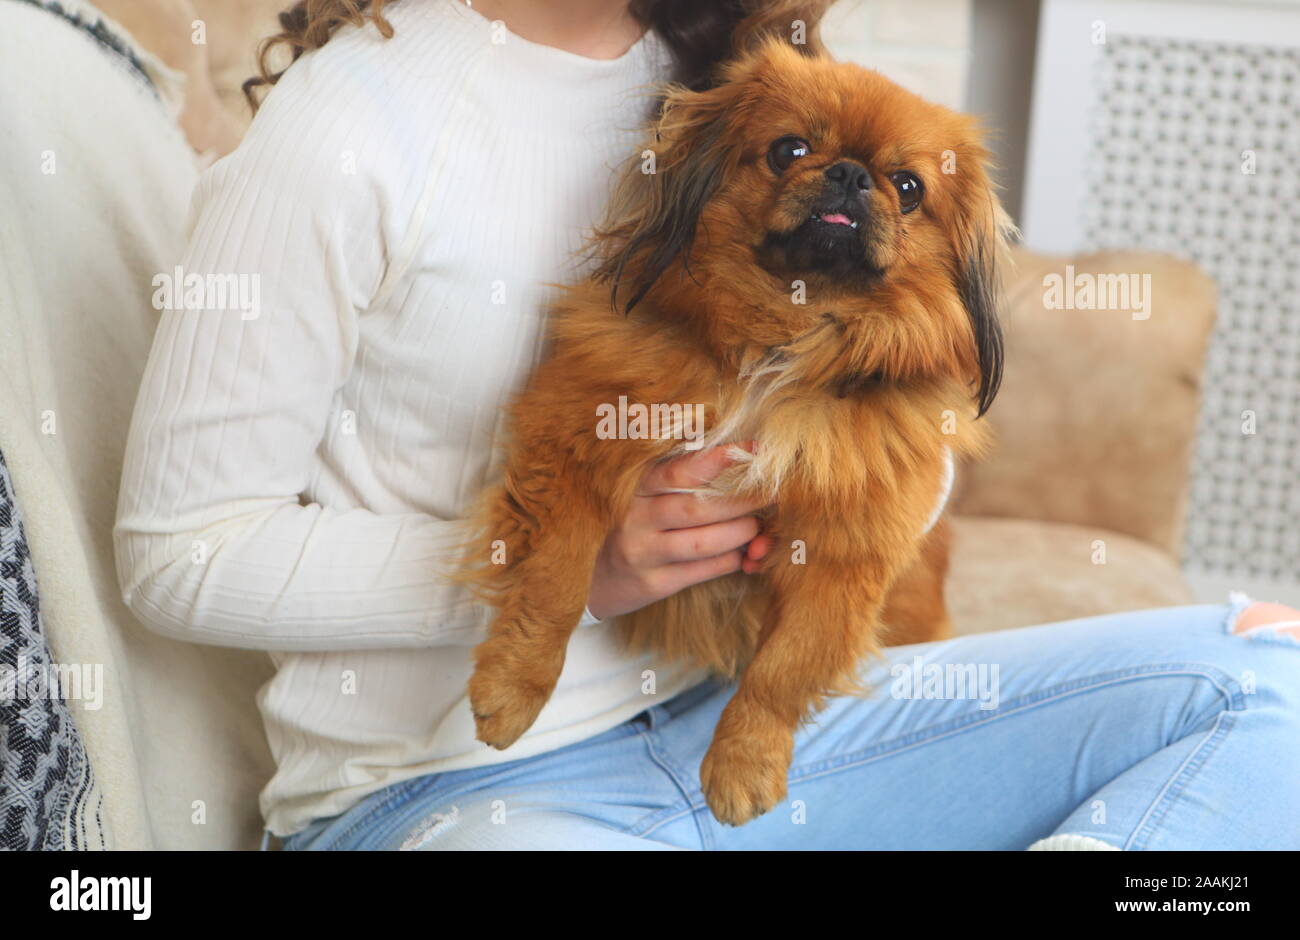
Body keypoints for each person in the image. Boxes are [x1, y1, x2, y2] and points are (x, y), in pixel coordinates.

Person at [113, 0, 1300, 850]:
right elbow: (181, 552)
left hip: (756, 728)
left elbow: (919, 416)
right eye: (800, 163)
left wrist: (853, 484)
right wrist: (572, 569)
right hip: (458, 789)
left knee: (1268, 686)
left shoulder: (734, 59)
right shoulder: (352, 128)